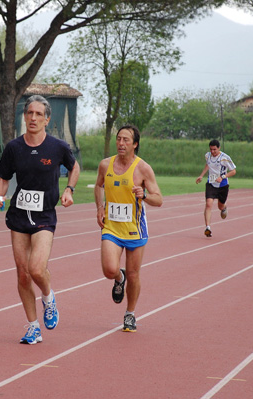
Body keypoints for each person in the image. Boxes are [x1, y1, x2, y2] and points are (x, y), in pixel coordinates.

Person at [0, 95, 80, 345]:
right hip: (18, 215)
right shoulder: (14, 147)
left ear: (47, 119)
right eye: (29, 113)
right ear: (25, 116)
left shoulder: (58, 147)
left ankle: (49, 298)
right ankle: (33, 327)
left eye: (39, 114)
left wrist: (69, 189)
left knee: (36, 268)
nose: (33, 118)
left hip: (44, 216)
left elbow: (74, 167)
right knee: (22, 274)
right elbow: (4, 177)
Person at [94, 124, 163, 333]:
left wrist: (144, 195)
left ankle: (130, 314)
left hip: (135, 228)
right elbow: (98, 186)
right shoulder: (105, 165)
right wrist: (100, 207)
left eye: (126, 140)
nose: (121, 143)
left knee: (134, 274)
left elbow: (158, 199)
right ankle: (118, 278)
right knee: (109, 269)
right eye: (118, 139)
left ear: (135, 144)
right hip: (112, 228)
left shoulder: (143, 168)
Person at [195, 139, 237, 237]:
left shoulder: (225, 158)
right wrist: (201, 175)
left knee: (220, 206)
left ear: (219, 148)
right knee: (209, 204)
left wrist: (222, 177)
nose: (213, 152)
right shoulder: (207, 155)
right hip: (211, 183)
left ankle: (224, 207)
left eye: (214, 149)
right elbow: (208, 165)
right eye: (211, 149)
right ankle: (207, 228)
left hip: (222, 185)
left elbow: (233, 171)